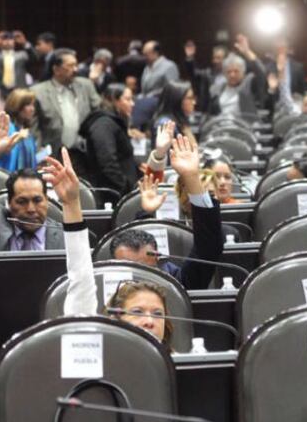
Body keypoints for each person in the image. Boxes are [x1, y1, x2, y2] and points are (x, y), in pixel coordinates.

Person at [47, 149, 173, 346]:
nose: (149, 321)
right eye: (137, 312)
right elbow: (81, 278)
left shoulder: (178, 360)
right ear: (115, 319)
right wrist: (72, 204)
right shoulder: (100, 357)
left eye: (158, 314)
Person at [107, 135, 224, 291]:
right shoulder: (102, 289)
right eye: (129, 273)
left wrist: (191, 177)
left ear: (157, 260)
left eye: (145, 272)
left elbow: (209, 246)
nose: (136, 284)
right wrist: (146, 213)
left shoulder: (175, 284)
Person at [0, 111, 64, 250]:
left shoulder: (64, 236)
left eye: (37, 200)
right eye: (22, 201)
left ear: (47, 201)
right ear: (9, 203)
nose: (31, 209)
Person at [31, 49, 100, 157]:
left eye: (76, 65)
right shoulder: (38, 92)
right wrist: (39, 152)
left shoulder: (86, 85)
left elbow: (99, 112)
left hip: (83, 151)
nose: (76, 69)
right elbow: (33, 128)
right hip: (53, 152)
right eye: (70, 66)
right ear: (56, 69)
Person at [79, 83, 138, 197]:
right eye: (128, 99)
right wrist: (124, 187)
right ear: (114, 100)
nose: (132, 103)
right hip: (111, 194)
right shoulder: (103, 124)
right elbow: (107, 162)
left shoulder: (112, 122)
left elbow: (121, 155)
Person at [0, 88, 39, 172]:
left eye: (33, 105)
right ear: (17, 106)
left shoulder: (27, 132)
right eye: (28, 105)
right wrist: (18, 138)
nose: (32, 109)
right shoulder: (6, 128)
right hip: (7, 177)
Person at [208, 53, 258, 118]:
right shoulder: (217, 89)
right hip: (221, 123)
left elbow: (260, 74)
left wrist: (247, 52)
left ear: (243, 72)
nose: (232, 75)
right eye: (229, 72)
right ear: (224, 73)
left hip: (243, 124)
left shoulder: (248, 86)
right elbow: (210, 113)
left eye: (236, 71)